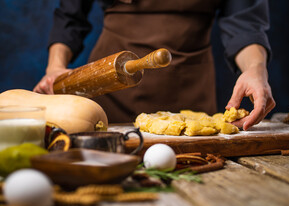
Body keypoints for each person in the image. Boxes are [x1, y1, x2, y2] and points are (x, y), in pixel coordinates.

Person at [34, 0, 275, 130]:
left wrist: (255, 68)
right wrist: (55, 67)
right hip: (109, 92)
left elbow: (245, 24)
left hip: (190, 91)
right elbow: (70, 16)